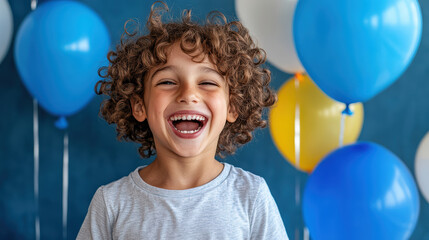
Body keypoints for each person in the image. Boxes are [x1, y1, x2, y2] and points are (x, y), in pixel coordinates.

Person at [77, 2, 288, 239]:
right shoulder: (111, 203)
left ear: (233, 106)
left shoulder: (251, 196)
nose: (188, 94)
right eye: (167, 82)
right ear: (139, 105)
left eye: (207, 83)